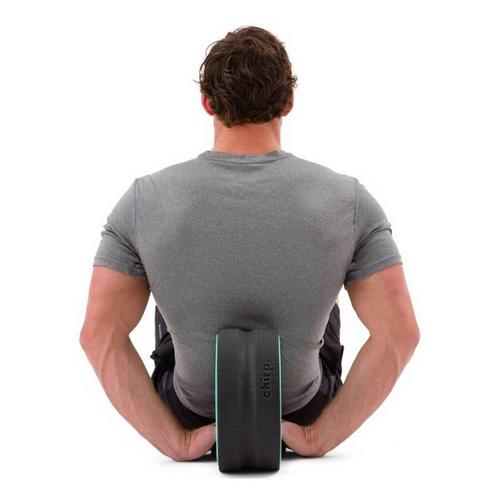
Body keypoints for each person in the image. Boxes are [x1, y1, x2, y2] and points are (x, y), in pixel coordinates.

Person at [80, 25, 420, 463]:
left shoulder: (143, 200)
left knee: (167, 294)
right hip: (301, 408)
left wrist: (175, 442)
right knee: (328, 296)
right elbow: (399, 333)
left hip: (192, 413)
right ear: (288, 102)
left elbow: (99, 335)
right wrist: (318, 437)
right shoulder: (349, 201)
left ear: (207, 103)